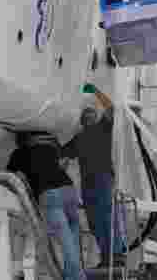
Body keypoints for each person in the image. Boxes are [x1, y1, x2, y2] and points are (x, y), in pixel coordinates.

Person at [8, 133, 87, 280]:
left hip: (49, 193)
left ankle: (76, 276)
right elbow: (61, 164)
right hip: (68, 189)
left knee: (64, 236)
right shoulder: (49, 149)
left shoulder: (18, 154)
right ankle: (73, 273)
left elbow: (11, 176)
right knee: (72, 231)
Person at [63, 84, 126, 268]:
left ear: (95, 117)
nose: (88, 116)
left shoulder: (103, 128)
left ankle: (116, 255)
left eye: (91, 113)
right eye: (85, 114)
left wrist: (97, 91)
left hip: (103, 178)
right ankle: (107, 257)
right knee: (94, 221)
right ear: (82, 120)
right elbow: (62, 154)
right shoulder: (78, 139)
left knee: (106, 216)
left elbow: (112, 109)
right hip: (88, 182)